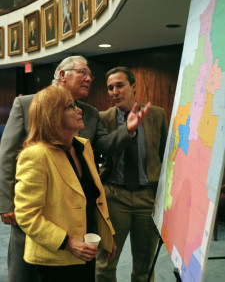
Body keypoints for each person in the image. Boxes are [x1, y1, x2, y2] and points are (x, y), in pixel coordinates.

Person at [0, 55, 149, 282]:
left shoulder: (87, 117)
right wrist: (6, 203)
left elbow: (104, 146)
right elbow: (8, 155)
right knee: (27, 269)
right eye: (83, 73)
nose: (89, 79)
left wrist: (127, 131)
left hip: (76, 215)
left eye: (90, 75)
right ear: (63, 75)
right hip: (38, 204)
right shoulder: (28, 104)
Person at [14, 85, 116, 282]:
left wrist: (107, 236)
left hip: (86, 250)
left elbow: (93, 197)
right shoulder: (36, 155)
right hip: (55, 259)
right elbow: (26, 216)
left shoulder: (82, 146)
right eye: (70, 107)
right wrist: (68, 243)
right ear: (53, 116)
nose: (79, 110)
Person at [96, 67, 168, 282]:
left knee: (144, 265)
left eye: (120, 85)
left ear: (133, 86)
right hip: (114, 198)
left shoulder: (156, 114)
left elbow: (165, 155)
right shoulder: (104, 118)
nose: (115, 92)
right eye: (110, 88)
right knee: (105, 263)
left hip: (147, 198)